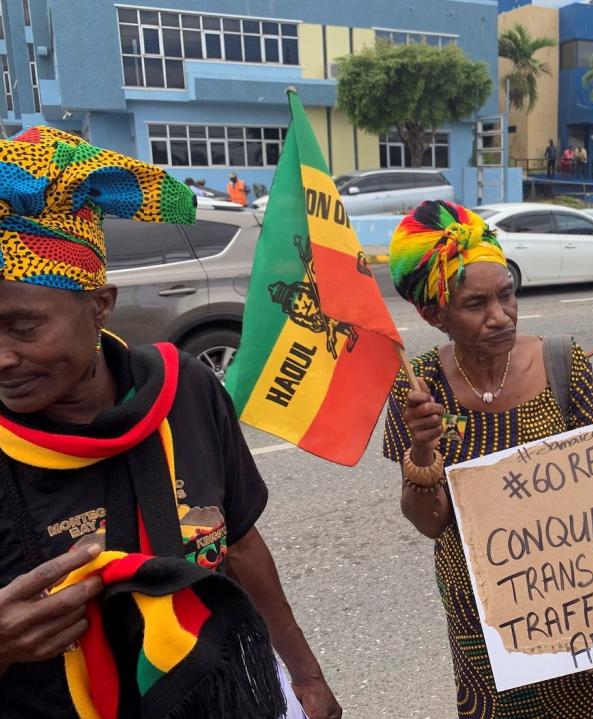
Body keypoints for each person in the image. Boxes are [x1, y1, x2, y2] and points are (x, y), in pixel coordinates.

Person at [0, 127, 341, 719]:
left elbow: (238, 541)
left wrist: (304, 676)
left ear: (99, 304)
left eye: (24, 328)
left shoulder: (184, 388)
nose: (1, 357)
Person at [382, 200, 593, 718]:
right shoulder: (418, 384)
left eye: (507, 295)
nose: (500, 316)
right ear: (434, 314)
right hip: (485, 613)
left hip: (582, 595)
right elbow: (431, 522)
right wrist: (421, 449)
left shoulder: (560, 361)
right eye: (475, 304)